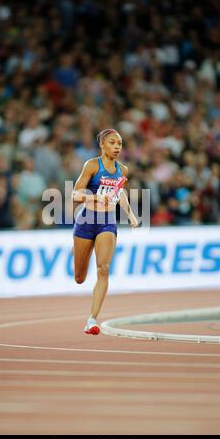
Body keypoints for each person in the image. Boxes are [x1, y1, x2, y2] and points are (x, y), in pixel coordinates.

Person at [72, 128, 139, 335]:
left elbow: (121, 193)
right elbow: (75, 194)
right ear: (102, 145)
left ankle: (92, 319)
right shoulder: (92, 165)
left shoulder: (123, 170)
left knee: (103, 269)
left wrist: (130, 215)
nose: (117, 147)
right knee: (79, 278)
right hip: (86, 220)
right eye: (112, 143)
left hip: (107, 222)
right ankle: (78, 255)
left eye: (119, 143)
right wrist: (95, 198)